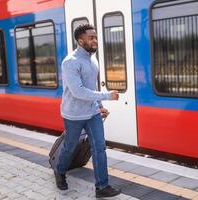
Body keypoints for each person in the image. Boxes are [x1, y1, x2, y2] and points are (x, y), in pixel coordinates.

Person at [54, 24, 121, 198]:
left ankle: (102, 187)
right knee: (69, 146)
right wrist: (107, 96)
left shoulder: (93, 60)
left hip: (91, 113)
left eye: (95, 37)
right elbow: (78, 91)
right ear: (80, 40)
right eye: (91, 38)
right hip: (73, 115)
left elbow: (91, 87)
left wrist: (99, 106)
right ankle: (60, 171)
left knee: (99, 147)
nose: (95, 41)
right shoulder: (70, 62)